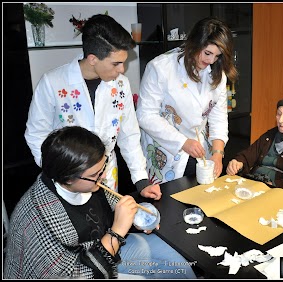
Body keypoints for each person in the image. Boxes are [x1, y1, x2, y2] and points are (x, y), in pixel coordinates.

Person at [4, 126, 197, 279]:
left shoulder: (83, 182)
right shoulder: (39, 220)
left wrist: (135, 216)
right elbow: (77, 275)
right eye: (96, 175)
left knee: (174, 262)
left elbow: (112, 204)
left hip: (101, 249)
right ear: (68, 177)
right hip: (83, 269)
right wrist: (118, 231)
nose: (103, 176)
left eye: (102, 168)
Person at [24, 14, 161, 200]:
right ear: (93, 59)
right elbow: (36, 133)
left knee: (107, 224)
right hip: (67, 179)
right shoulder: (53, 83)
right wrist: (61, 171)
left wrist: (141, 180)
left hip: (106, 177)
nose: (122, 70)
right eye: (116, 63)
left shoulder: (121, 84)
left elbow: (129, 135)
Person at [136, 17, 238, 184]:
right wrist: (182, 142)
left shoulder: (216, 72)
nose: (211, 61)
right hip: (165, 151)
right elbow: (145, 115)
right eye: (207, 53)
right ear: (195, 43)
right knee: (169, 203)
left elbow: (218, 118)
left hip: (199, 150)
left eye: (217, 56)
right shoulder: (161, 67)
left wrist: (218, 154)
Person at [226, 94, 283, 195]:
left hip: (280, 191)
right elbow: (249, 154)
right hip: (255, 183)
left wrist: (274, 185)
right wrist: (238, 162)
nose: (281, 120)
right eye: (278, 114)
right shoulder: (271, 134)